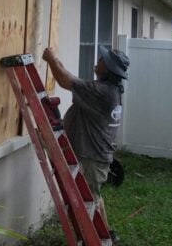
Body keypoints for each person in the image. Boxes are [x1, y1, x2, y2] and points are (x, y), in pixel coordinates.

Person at [42, 45, 129, 241]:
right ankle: (107, 233)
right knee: (94, 196)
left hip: (92, 158)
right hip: (96, 156)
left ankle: (93, 238)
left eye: (101, 60)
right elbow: (70, 78)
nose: (97, 61)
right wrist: (56, 61)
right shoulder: (109, 90)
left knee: (88, 200)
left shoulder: (102, 92)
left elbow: (66, 81)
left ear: (107, 69)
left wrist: (50, 59)